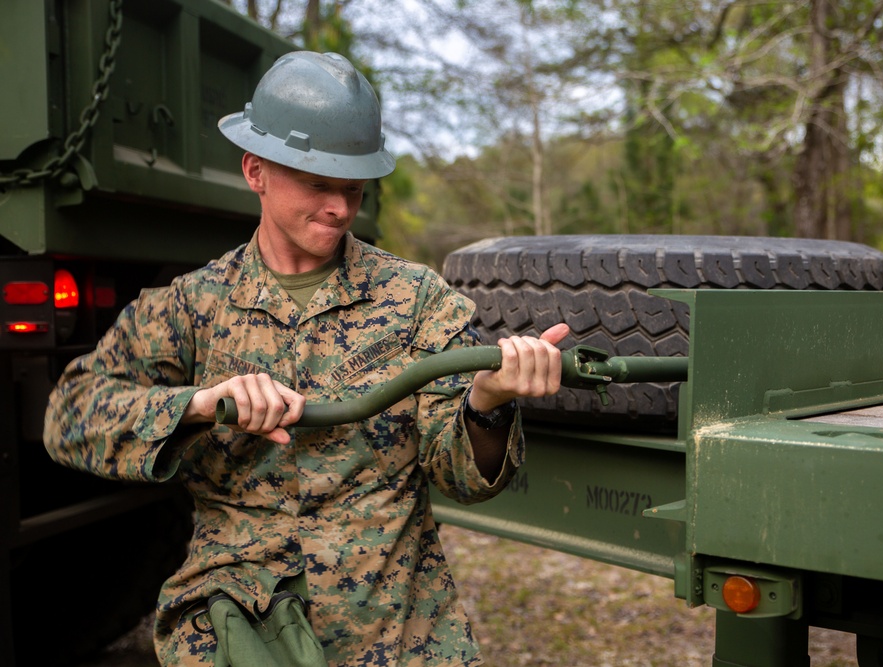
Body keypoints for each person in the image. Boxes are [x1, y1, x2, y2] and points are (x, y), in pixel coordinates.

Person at [43, 50, 569, 667]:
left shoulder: (416, 299)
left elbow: (458, 474)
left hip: (396, 627)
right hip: (236, 615)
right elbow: (68, 416)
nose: (340, 209)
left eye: (353, 189)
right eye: (319, 185)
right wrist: (198, 405)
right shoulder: (191, 305)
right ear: (255, 170)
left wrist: (486, 404)